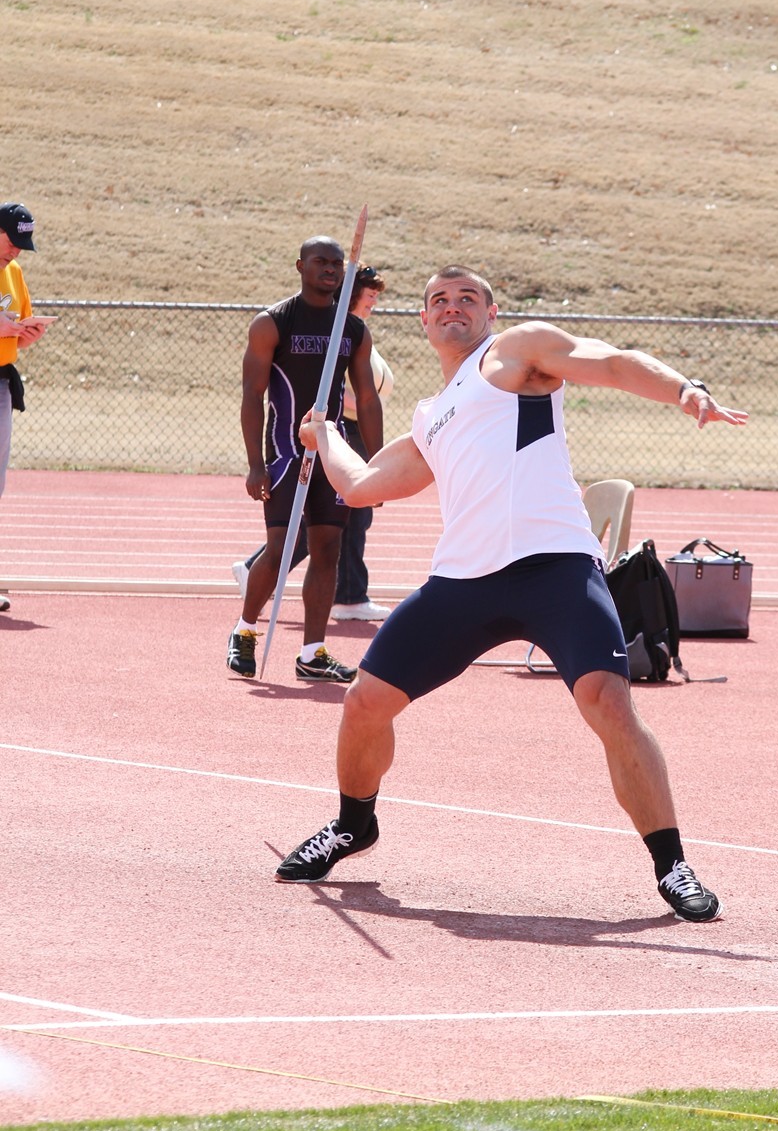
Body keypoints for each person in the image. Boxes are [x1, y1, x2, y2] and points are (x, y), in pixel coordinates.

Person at [274, 265, 748, 922]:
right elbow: (359, 486)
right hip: (463, 581)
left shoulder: (516, 353)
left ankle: (673, 867)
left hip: (553, 567)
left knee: (609, 705)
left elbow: (611, 363)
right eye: (437, 300)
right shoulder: (432, 418)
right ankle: (354, 824)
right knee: (362, 705)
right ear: (422, 321)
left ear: (490, 313)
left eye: (466, 297)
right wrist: (323, 437)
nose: (451, 307)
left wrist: (683, 390)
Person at [227, 237, 383, 682]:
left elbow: (368, 399)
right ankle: (245, 631)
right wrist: (256, 463)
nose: (331, 270)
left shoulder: (352, 329)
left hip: (331, 453)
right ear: (301, 266)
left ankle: (312, 653)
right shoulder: (272, 322)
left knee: (328, 549)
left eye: (338, 264)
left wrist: (375, 464)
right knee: (279, 551)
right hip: (285, 455)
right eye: (321, 262)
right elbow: (252, 396)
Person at [0, 202, 54, 614]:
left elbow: (14, 337)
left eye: (23, 244)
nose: (16, 251)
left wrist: (27, 334)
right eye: (12, 241)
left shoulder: (14, 272)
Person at [333, 265, 394, 621]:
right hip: (347, 431)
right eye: (369, 294)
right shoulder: (341, 332)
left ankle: (256, 567)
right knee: (350, 516)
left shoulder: (358, 332)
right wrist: (370, 407)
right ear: (352, 293)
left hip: (359, 431)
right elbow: (336, 390)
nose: (373, 301)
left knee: (352, 517)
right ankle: (349, 597)